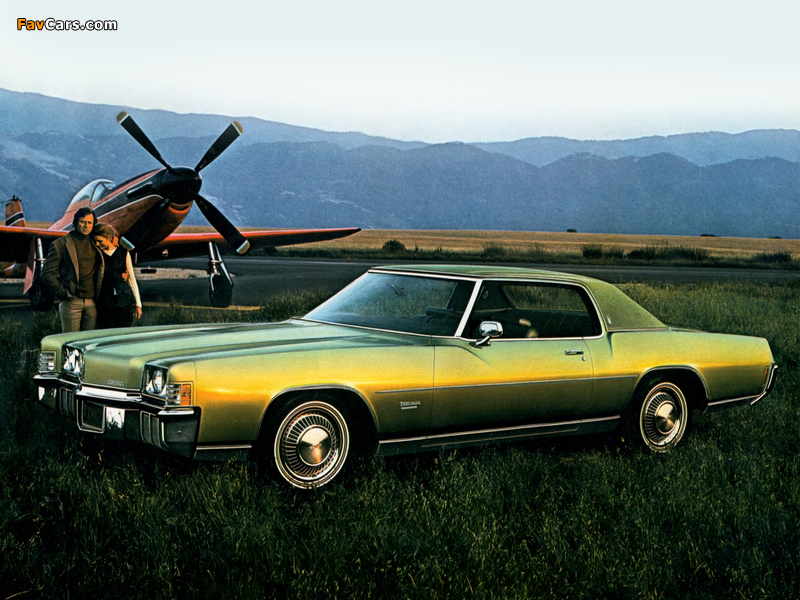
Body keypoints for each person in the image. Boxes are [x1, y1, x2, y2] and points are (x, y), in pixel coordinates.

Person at [41, 207, 105, 332]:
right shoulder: (60, 244)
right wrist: (63, 293)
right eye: (82, 222)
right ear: (75, 223)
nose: (86, 226)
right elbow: (47, 273)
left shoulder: (96, 242)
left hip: (92, 302)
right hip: (71, 301)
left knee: (89, 340)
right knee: (71, 340)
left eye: (90, 222)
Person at [91, 223, 142, 328]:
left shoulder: (123, 252)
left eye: (100, 241)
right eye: (95, 241)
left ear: (109, 238)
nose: (97, 244)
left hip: (125, 302)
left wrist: (138, 304)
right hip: (105, 304)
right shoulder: (97, 255)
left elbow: (131, 279)